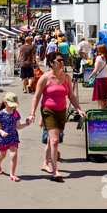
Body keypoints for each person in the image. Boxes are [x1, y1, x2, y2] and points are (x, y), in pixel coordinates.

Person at [29, 52, 86, 182]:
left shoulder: (66, 77)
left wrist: (79, 110)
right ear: (51, 63)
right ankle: (55, 171)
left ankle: (45, 163)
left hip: (61, 111)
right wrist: (32, 114)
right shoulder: (44, 78)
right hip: (48, 111)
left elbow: (71, 96)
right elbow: (37, 97)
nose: (62, 62)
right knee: (55, 140)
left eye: (62, 60)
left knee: (51, 140)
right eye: (59, 60)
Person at [0, 92, 31, 182]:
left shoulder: (16, 113)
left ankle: (12, 174)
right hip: (3, 138)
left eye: (14, 106)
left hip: (13, 137)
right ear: (5, 103)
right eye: (11, 105)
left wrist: (26, 124)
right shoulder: (1, 114)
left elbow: (18, 126)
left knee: (13, 155)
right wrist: (1, 131)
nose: (13, 107)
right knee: (2, 155)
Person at [89, 44, 107, 109]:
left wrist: (90, 76)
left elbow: (96, 70)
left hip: (100, 79)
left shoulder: (99, 58)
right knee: (105, 98)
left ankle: (101, 113)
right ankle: (105, 114)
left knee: (100, 98)